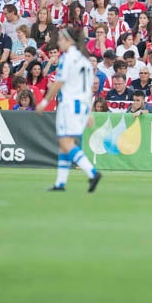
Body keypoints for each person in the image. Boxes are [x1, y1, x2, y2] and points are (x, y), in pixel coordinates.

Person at [37, 26, 103, 193]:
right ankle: (60, 183)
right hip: (81, 105)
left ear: (68, 40)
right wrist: (88, 112)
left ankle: (92, 172)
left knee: (65, 142)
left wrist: (44, 102)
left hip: (69, 104)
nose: (58, 42)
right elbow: (88, 89)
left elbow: (59, 82)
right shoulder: (85, 61)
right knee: (66, 144)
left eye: (60, 39)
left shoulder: (67, 58)